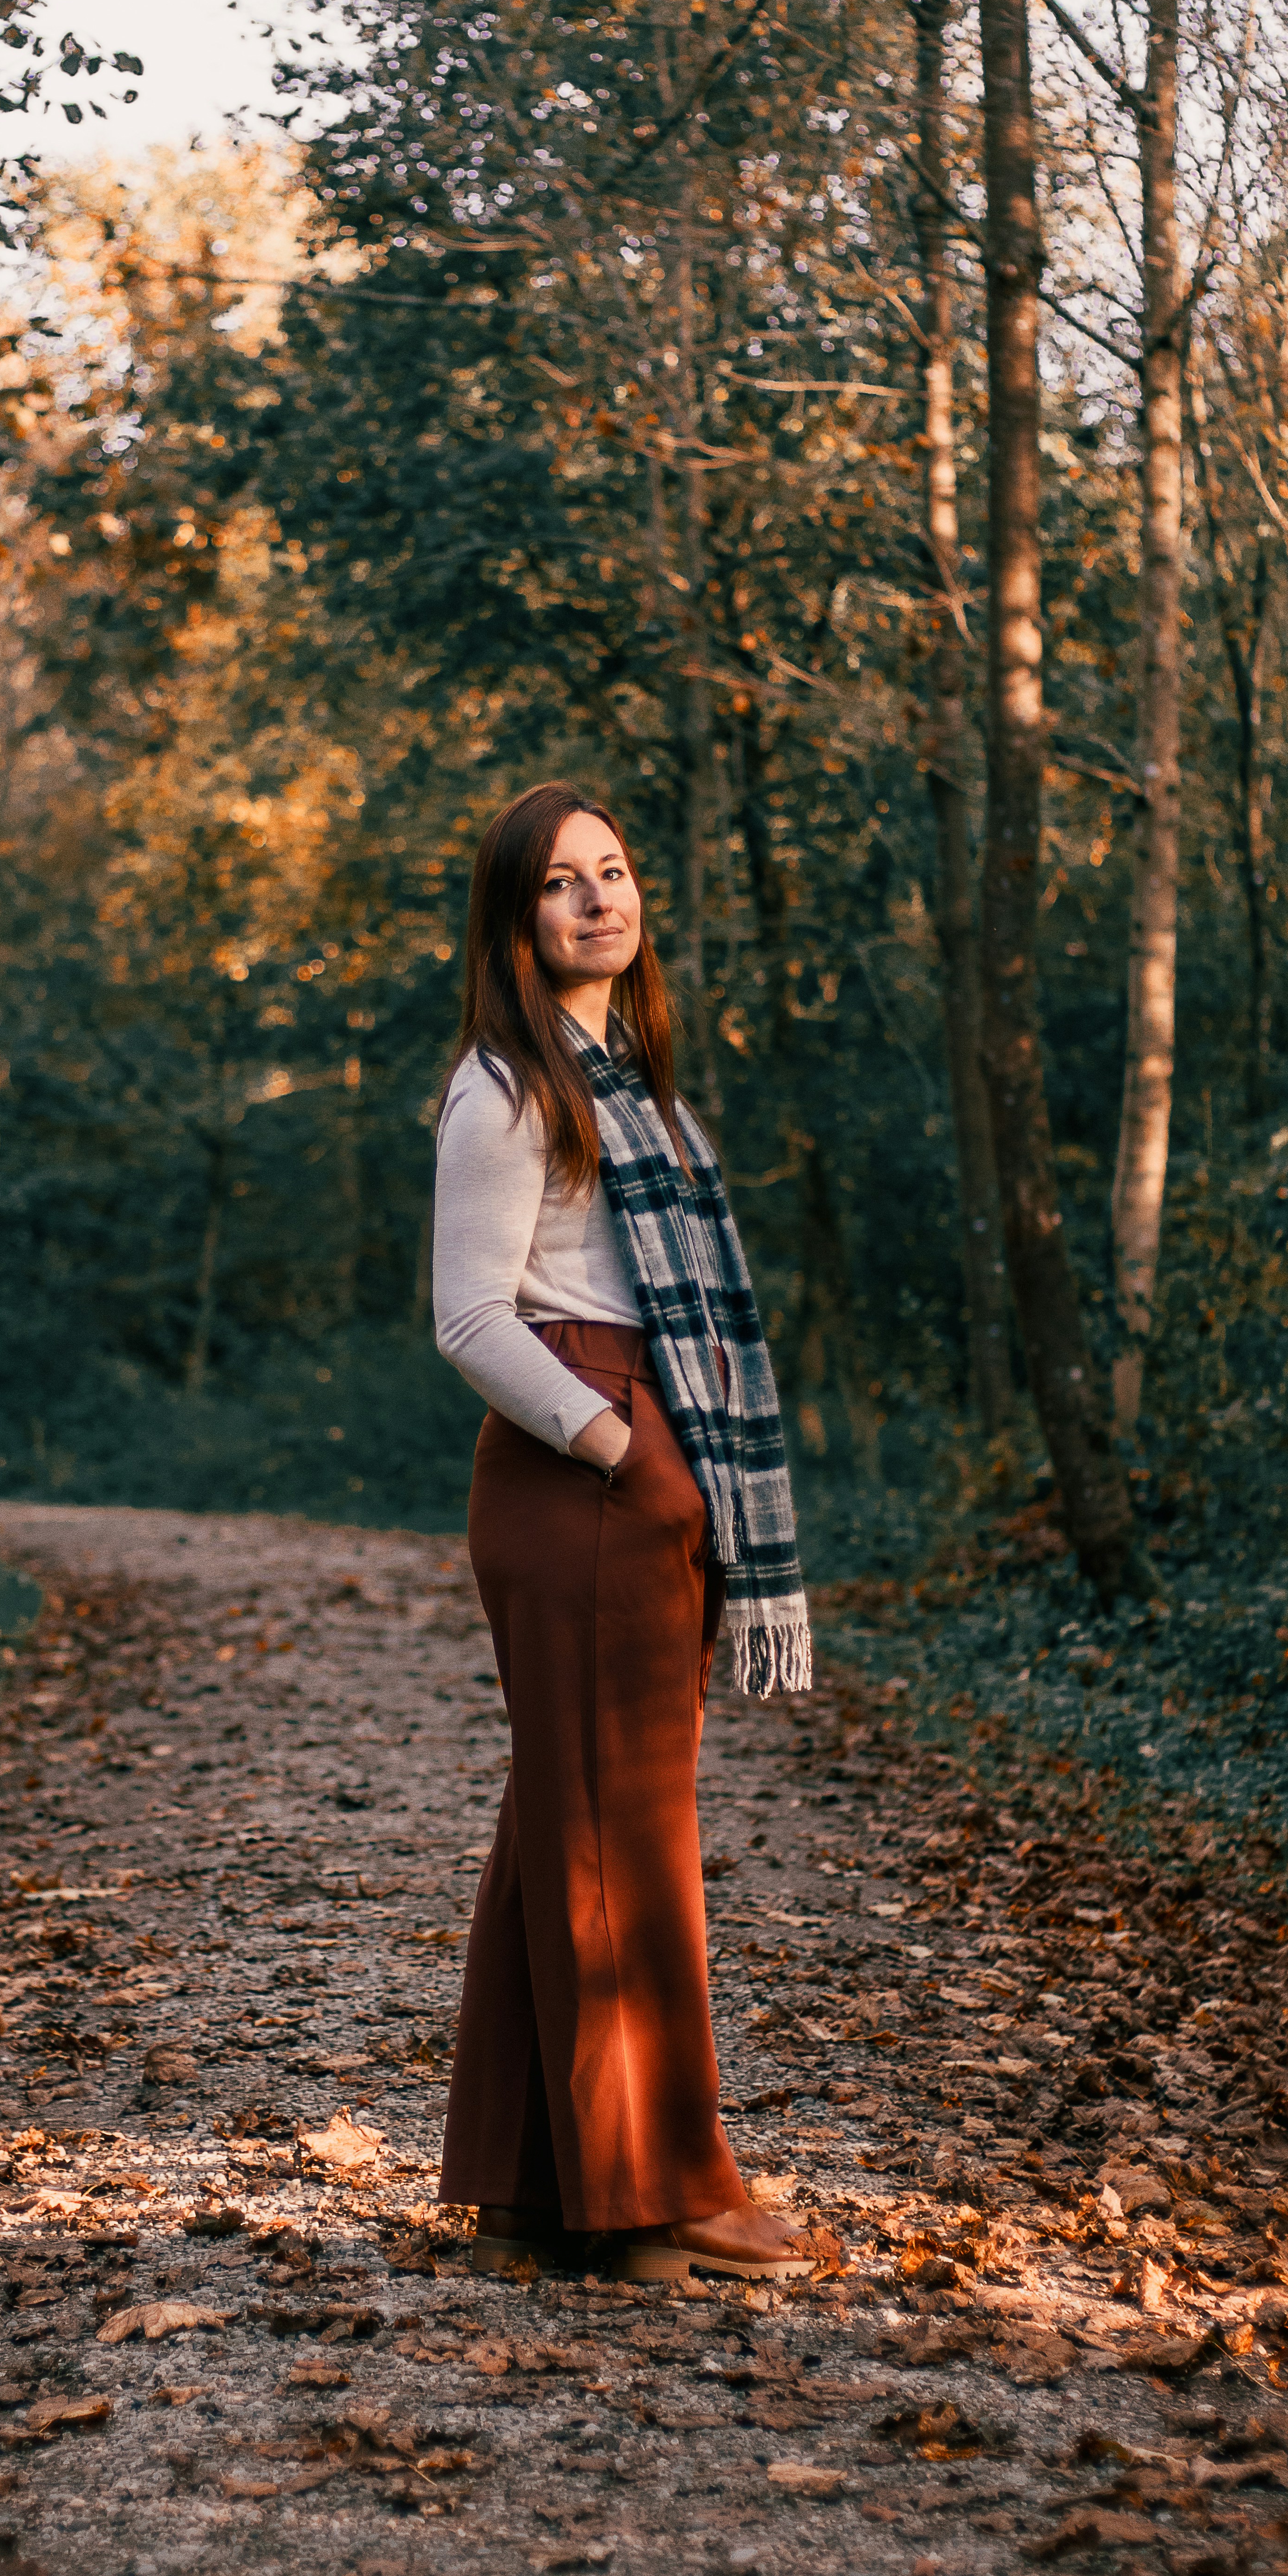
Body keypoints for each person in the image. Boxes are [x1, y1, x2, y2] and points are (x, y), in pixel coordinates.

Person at [432, 780, 814, 2284]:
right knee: (627, 1839)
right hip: (582, 1453)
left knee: (568, 1819)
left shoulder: (629, 1078)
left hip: (632, 1442)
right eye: (559, 883)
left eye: (615, 872)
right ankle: (658, 2196)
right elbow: (470, 1317)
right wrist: (628, 1458)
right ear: (513, 919)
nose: (599, 899)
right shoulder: (509, 1086)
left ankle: (532, 2186)